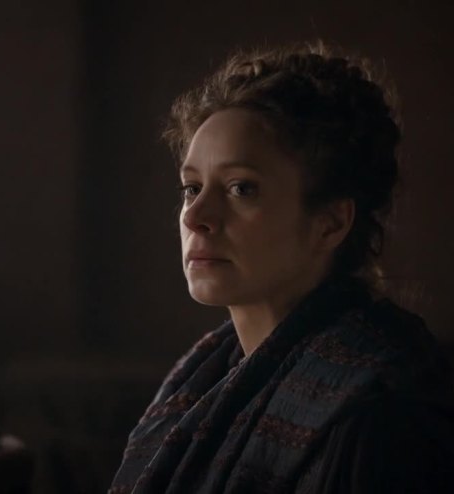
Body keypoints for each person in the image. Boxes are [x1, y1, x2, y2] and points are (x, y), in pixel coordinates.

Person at [109, 42, 454, 493]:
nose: (195, 217)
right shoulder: (198, 380)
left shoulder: (381, 411)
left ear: (330, 223)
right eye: (192, 188)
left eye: (241, 188)